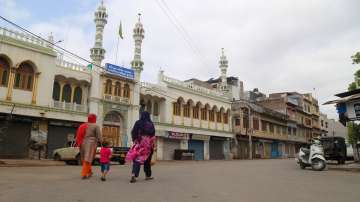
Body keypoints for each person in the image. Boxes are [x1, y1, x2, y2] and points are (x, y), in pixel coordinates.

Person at [126, 111, 155, 183]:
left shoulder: (138, 122)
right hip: (148, 144)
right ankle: (148, 176)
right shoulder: (150, 124)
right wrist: (152, 145)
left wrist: (134, 140)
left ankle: (134, 175)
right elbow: (153, 134)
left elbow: (133, 132)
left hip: (139, 143)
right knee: (147, 160)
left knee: (137, 159)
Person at [75, 113, 102, 179]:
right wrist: (102, 143)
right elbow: (99, 136)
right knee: (88, 158)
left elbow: (78, 135)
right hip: (91, 143)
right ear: (94, 119)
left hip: (82, 142)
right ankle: (84, 174)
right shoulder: (95, 126)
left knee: (85, 158)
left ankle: (89, 172)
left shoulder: (82, 125)